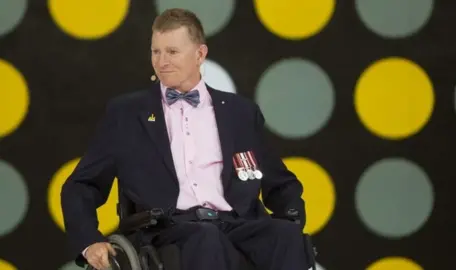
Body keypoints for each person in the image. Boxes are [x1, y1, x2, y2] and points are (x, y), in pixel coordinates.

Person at [61, 8, 308, 270]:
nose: (162, 61)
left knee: (285, 237)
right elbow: (81, 185)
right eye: (156, 52)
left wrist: (290, 220)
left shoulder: (241, 113)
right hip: (168, 229)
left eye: (172, 52)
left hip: (238, 223)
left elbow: (281, 183)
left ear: (200, 54)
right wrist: (90, 241)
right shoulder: (127, 114)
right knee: (206, 238)